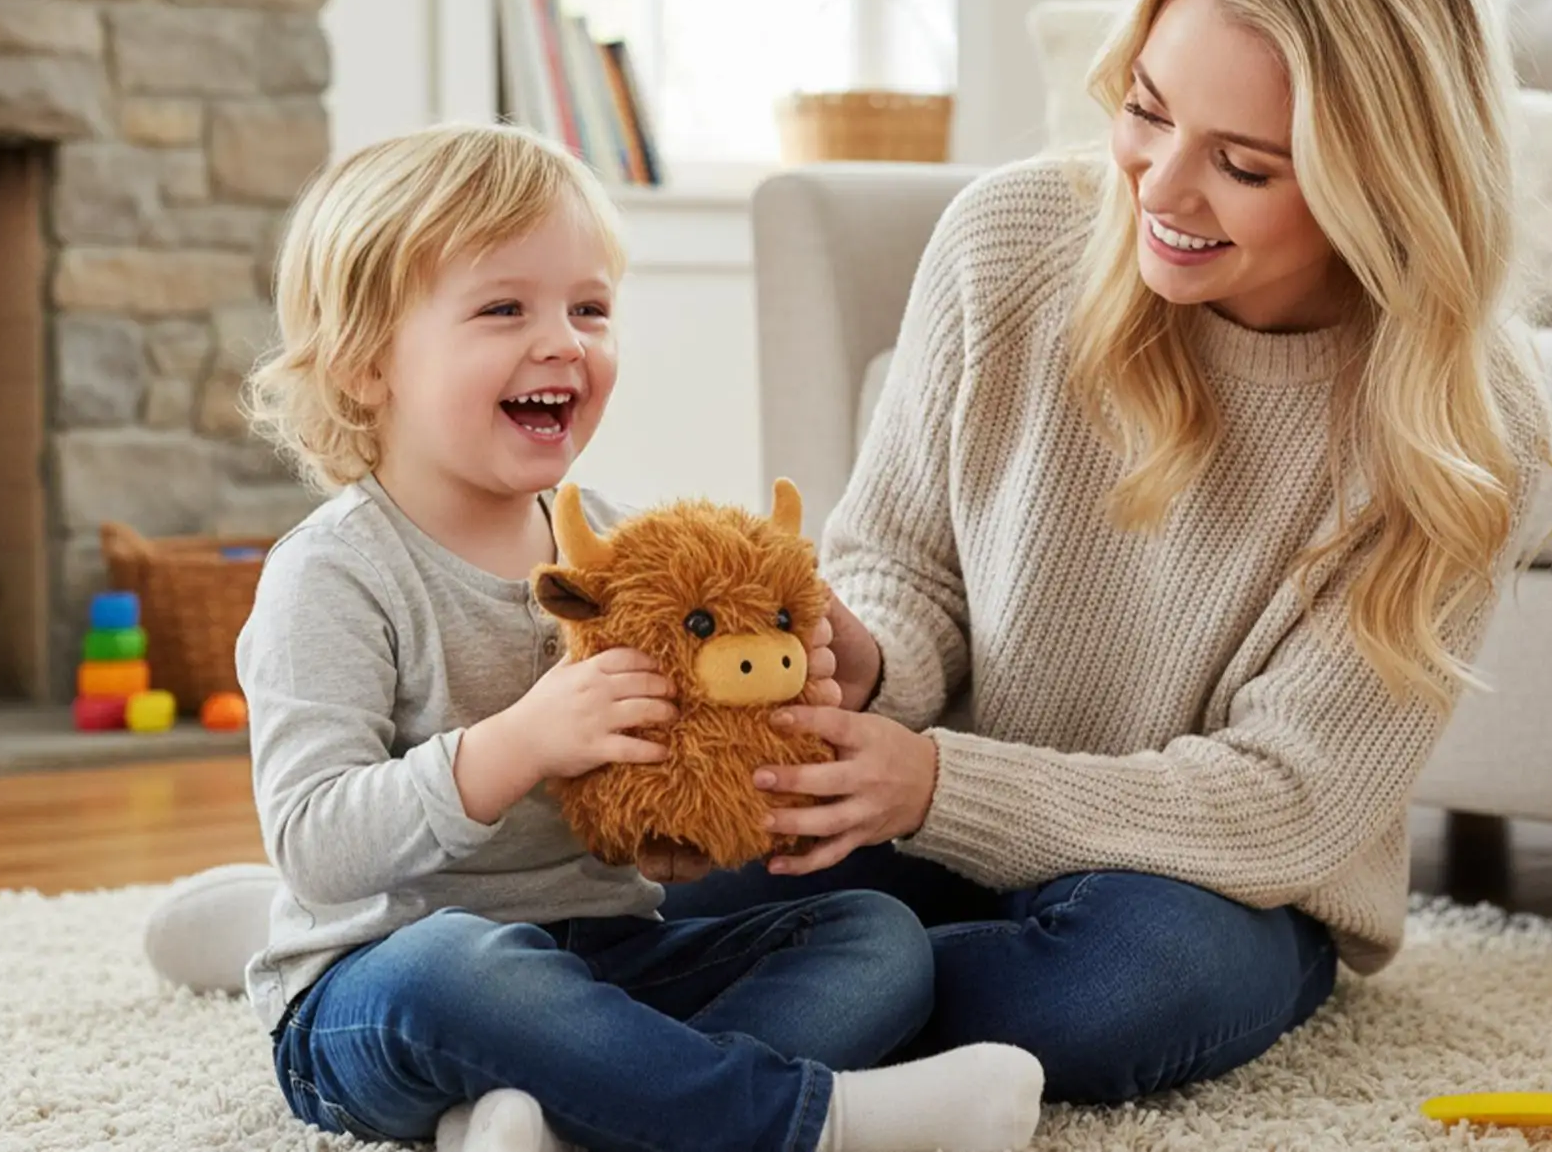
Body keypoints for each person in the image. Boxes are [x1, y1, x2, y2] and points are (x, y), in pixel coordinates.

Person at [661, 0, 1552, 1105]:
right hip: (937, 803)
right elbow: (902, 561)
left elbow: (1285, 798)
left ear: (1379, 184)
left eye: (1241, 164)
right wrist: (861, 662)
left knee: (1112, 992)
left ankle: (730, 1027)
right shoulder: (1006, 238)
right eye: (1144, 109)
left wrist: (936, 784)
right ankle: (805, 1032)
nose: (1159, 186)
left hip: (1208, 874)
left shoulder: (1469, 426)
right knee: (682, 872)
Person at [152, 124, 1043, 1152]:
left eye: (588, 308)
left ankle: (576, 1112)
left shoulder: (626, 554)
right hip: (382, 988)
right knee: (454, 966)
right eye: (503, 308)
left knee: (874, 937)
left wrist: (701, 813)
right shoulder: (332, 574)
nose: (564, 342)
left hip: (604, 958)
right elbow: (315, 843)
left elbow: (646, 806)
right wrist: (520, 742)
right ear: (365, 364)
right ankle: (809, 1121)